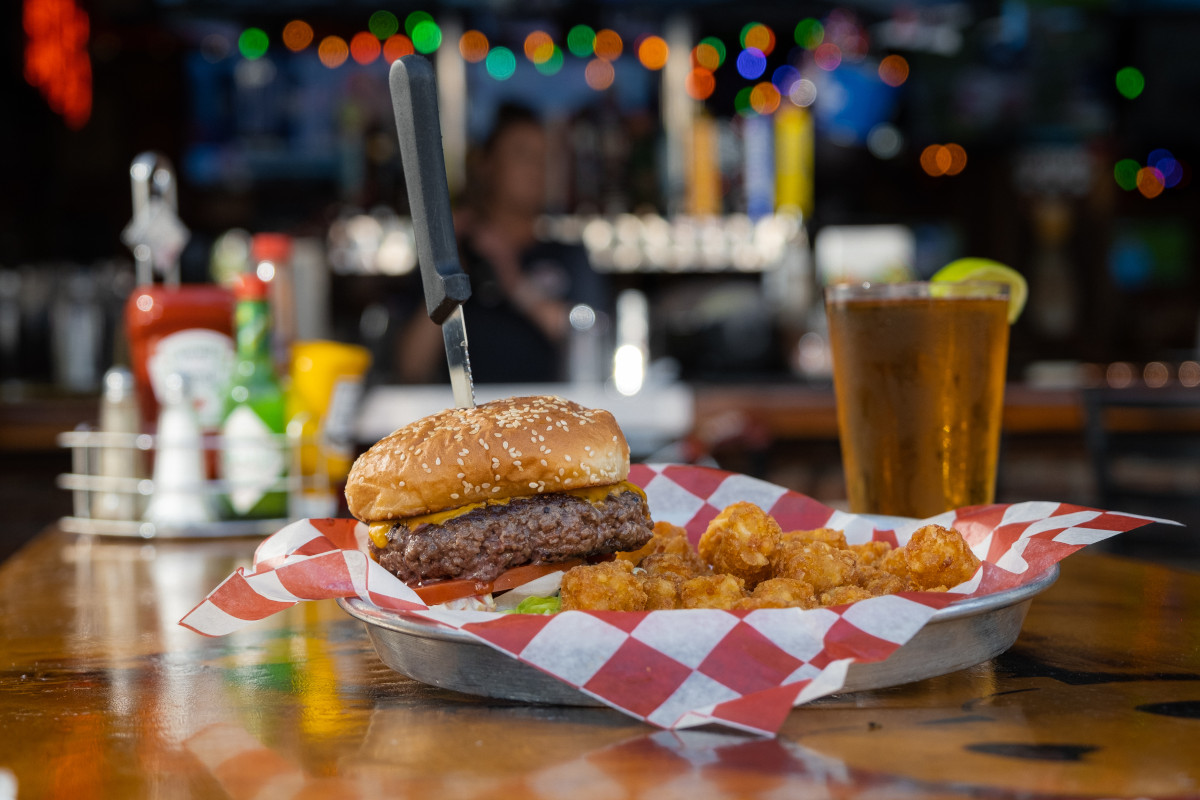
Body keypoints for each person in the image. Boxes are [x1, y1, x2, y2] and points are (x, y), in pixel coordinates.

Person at [397, 103, 609, 384]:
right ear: (487, 165)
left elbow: (592, 341)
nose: (536, 169)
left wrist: (512, 279)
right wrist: (449, 270)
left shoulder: (568, 255)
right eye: (522, 155)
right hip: (466, 424)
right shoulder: (453, 255)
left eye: (545, 158)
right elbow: (411, 367)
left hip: (550, 421)